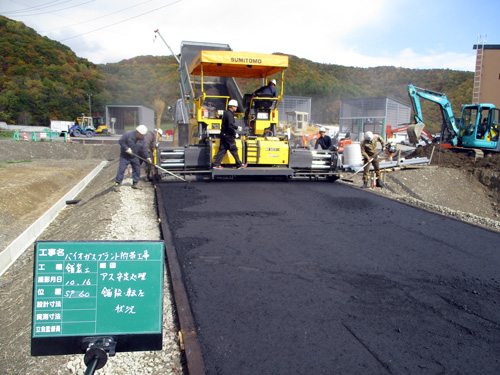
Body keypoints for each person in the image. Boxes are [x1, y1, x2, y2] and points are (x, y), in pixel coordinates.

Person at [114, 125, 151, 191]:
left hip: (134, 156)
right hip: (125, 156)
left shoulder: (142, 140)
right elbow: (121, 141)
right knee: (121, 170)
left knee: (137, 169)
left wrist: (147, 157)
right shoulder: (128, 134)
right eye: (142, 135)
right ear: (138, 133)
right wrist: (126, 148)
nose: (143, 136)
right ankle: (117, 184)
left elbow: (144, 149)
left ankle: (135, 183)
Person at [213, 99, 247, 169]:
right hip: (228, 135)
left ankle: (216, 164)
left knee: (222, 149)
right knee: (233, 149)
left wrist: (236, 127)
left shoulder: (226, 113)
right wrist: (235, 133)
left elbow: (229, 124)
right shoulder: (230, 114)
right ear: (232, 106)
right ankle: (239, 164)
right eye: (235, 107)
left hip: (223, 134)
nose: (236, 108)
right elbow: (229, 126)